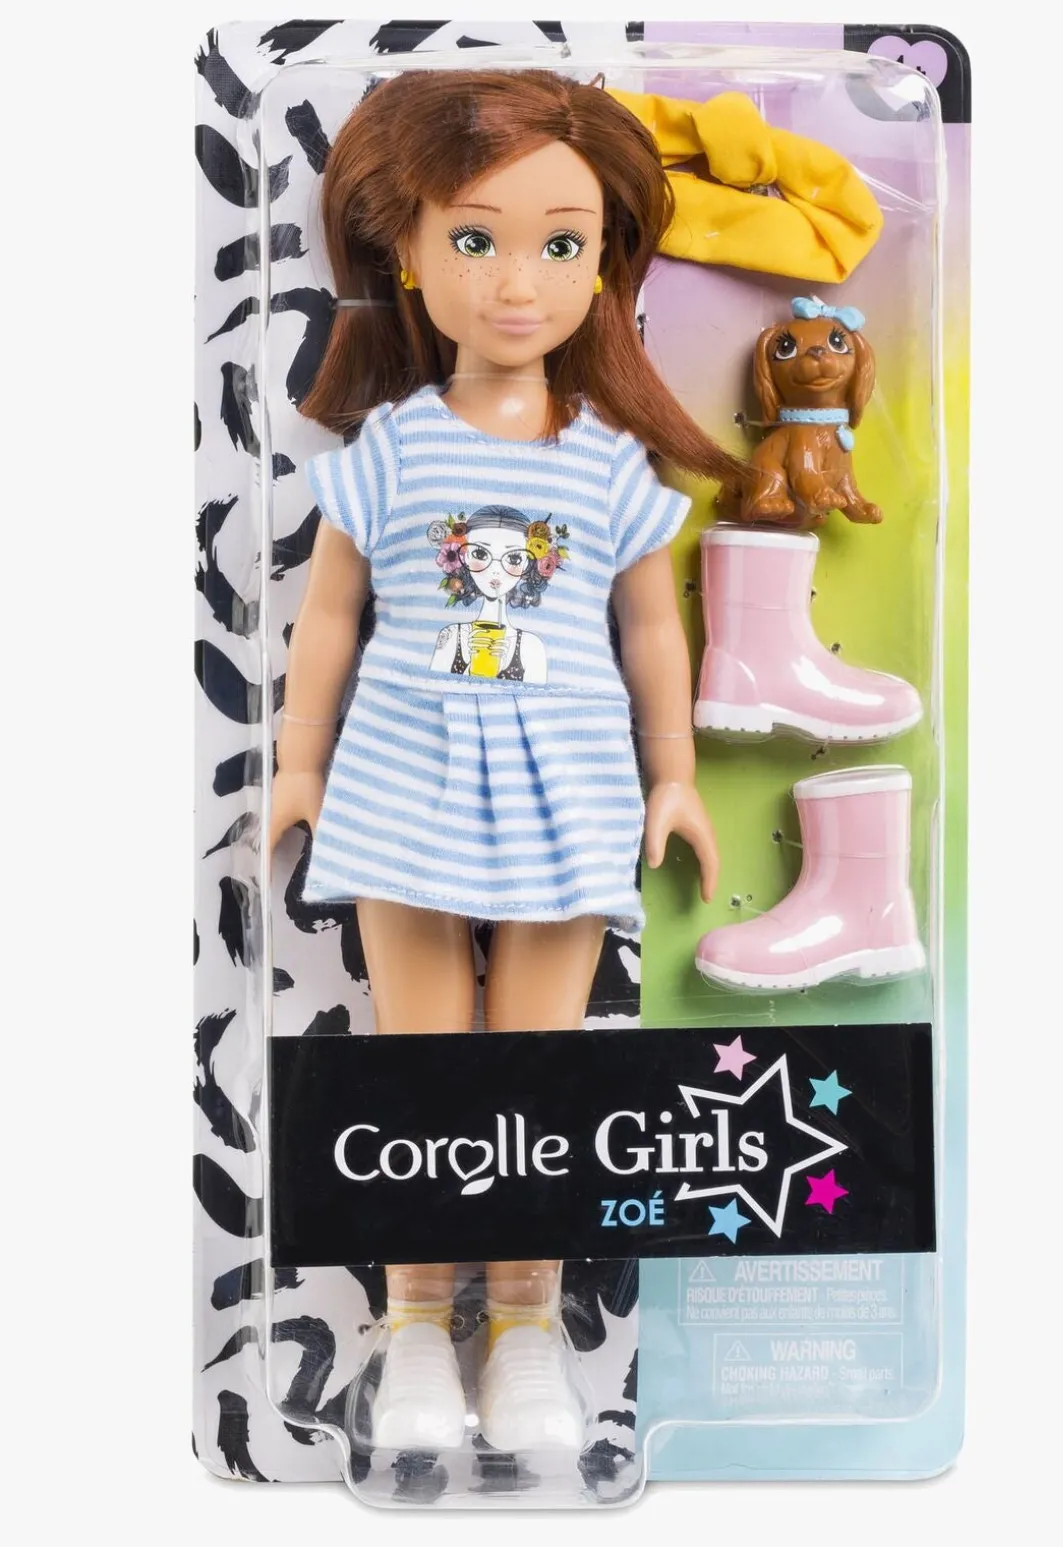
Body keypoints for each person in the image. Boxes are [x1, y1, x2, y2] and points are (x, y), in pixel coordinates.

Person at [271, 68, 742, 1454]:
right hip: (404, 777)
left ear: (604, 265)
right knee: (422, 1066)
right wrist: (300, 763)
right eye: (475, 239)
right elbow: (331, 616)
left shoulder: (610, 464)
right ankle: (417, 1321)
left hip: (569, 786)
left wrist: (673, 773)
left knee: (537, 1069)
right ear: (410, 255)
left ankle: (528, 1326)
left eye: (560, 242)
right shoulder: (391, 448)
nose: (518, 281)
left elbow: (650, 629)